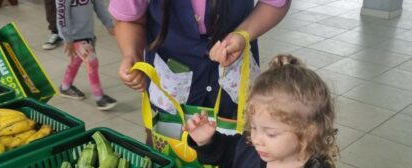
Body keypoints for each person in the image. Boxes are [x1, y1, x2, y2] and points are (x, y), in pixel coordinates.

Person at [186, 54, 342, 168]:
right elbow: (218, 155)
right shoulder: (247, 149)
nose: (257, 139)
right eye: (253, 127)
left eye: (271, 133)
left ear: (308, 133)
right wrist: (206, 141)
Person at [109, 0, 290, 120]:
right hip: (171, 75)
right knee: (170, 151)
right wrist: (132, 55)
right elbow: (129, 20)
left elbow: (275, 3)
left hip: (234, 72)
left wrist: (243, 34)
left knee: (238, 154)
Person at [56, 0, 118, 111]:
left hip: (88, 33)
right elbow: (62, 15)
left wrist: (109, 24)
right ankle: (100, 98)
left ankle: (65, 87)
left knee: (76, 61)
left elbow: (99, 5)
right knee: (92, 62)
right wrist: (67, 38)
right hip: (75, 36)